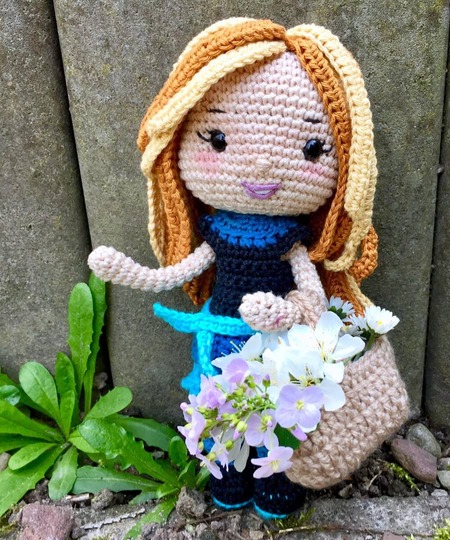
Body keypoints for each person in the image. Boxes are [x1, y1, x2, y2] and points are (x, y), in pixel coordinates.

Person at [89, 18, 381, 518]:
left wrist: (289, 312)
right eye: (218, 139)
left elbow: (313, 298)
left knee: (282, 417)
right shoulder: (218, 233)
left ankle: (279, 483)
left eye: (312, 148)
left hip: (282, 351)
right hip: (223, 341)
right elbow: (180, 270)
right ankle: (228, 480)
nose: (262, 167)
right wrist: (132, 272)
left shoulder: (291, 240)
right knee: (224, 413)